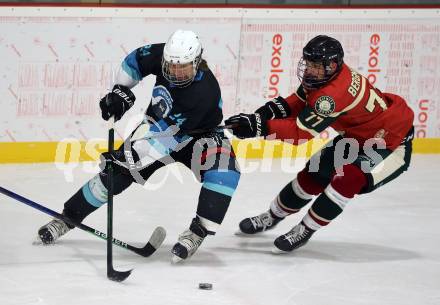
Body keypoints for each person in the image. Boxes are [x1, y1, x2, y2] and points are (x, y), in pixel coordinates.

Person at [37, 30, 241, 263]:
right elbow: (134, 62)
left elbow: (167, 138)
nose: (175, 72)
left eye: (182, 67)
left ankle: (196, 233)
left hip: (200, 136)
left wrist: (129, 156)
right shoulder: (163, 54)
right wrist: (119, 90)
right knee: (115, 175)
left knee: (225, 174)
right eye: (171, 66)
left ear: (197, 62)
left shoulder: (203, 93)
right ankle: (67, 218)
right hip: (156, 127)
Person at [225, 35, 414, 253]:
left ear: (332, 65)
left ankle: (306, 229)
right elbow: (300, 101)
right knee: (314, 172)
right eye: (308, 63)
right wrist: (263, 114)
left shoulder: (333, 95)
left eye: (315, 65)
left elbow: (299, 134)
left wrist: (259, 127)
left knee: (348, 179)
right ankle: (273, 215)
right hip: (357, 136)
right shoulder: (326, 76)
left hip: (390, 142)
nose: (309, 69)